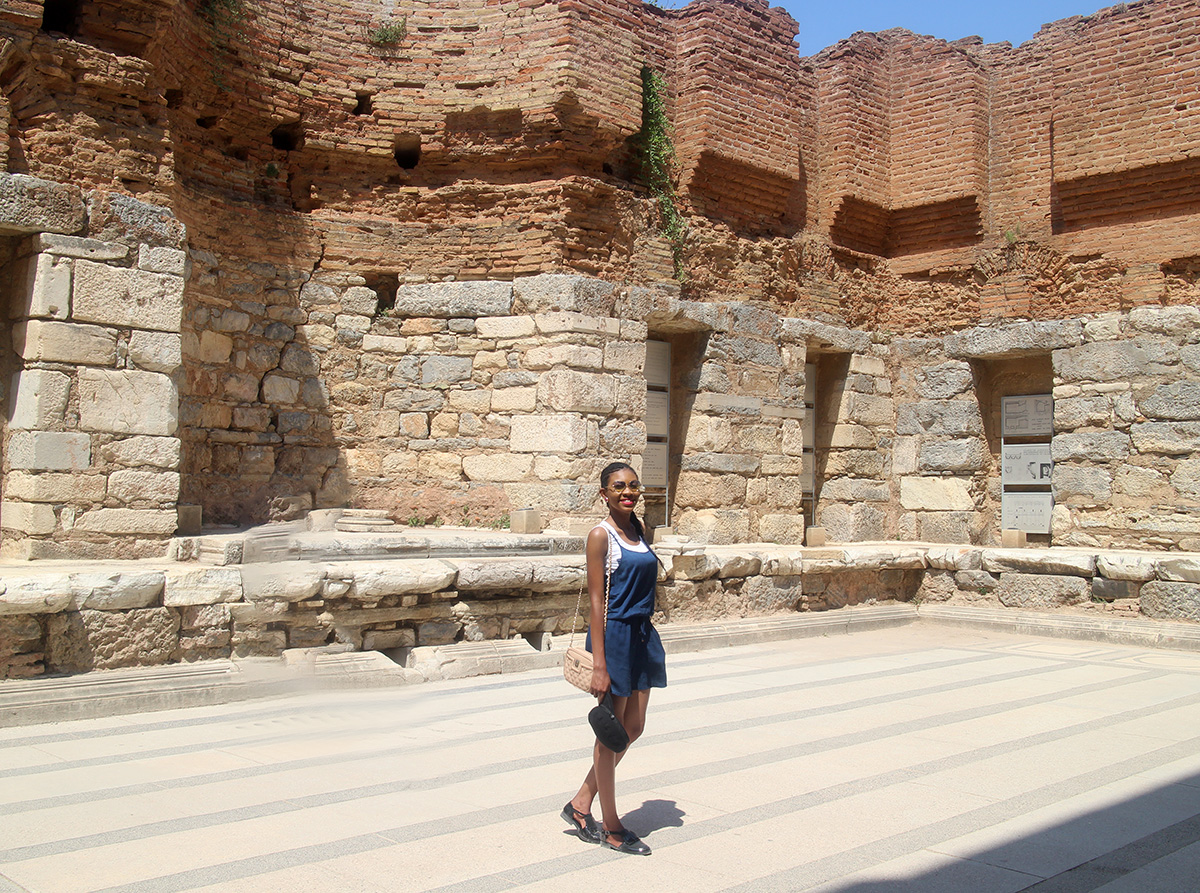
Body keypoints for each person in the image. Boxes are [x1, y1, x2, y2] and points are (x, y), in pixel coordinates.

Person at [561, 461, 667, 856]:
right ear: (604, 493)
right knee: (610, 736)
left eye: (633, 486)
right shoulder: (600, 536)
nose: (628, 492)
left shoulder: (639, 530)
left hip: (642, 635)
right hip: (615, 637)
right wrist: (599, 663)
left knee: (633, 727)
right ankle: (611, 826)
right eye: (619, 487)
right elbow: (595, 601)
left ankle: (579, 803)